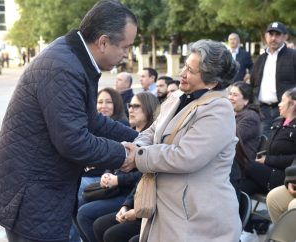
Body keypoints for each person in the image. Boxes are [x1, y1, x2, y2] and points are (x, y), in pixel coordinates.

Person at [0, 1, 138, 242]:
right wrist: (125, 156)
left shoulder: (74, 57)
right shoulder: (64, 68)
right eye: (126, 47)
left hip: (43, 190)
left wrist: (140, 138)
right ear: (104, 42)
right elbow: (73, 141)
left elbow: (90, 120)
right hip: (33, 195)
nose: (127, 55)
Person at [122, 39, 241, 241]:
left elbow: (186, 156)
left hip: (196, 219)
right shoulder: (178, 96)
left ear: (212, 82)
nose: (182, 74)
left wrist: (138, 157)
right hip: (169, 210)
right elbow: (152, 130)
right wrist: (138, 147)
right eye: (185, 65)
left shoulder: (219, 109)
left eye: (191, 71)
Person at [76, 92, 160, 242]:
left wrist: (117, 180)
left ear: (149, 109)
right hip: (116, 189)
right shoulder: (129, 133)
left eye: (136, 106)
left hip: (130, 192)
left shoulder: (152, 140)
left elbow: (144, 175)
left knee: (84, 212)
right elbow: (115, 160)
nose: (131, 110)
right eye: (130, 106)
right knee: (76, 199)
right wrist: (107, 174)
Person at [70, 87, 129, 242]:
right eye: (100, 102)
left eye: (109, 102)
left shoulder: (121, 126)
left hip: (106, 179)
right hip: (91, 175)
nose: (104, 106)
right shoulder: (91, 126)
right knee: (70, 192)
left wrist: (95, 162)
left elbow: (117, 158)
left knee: (77, 192)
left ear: (116, 104)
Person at [240, 87, 296, 242]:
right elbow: (272, 149)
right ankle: (244, 229)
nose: (279, 104)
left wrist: (268, 160)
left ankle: (283, 236)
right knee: (239, 188)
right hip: (272, 174)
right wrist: (266, 156)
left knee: (247, 165)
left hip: (284, 174)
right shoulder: (278, 122)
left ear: (293, 103)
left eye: (283, 100)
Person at [250, 21, 296, 137]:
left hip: (285, 110)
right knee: (263, 143)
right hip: (263, 110)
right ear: (266, 36)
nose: (273, 38)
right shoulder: (260, 59)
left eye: (277, 35)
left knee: (283, 142)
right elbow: (253, 82)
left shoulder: (293, 56)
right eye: (271, 34)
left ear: (285, 37)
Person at [228, 81, 261, 161]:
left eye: (235, 95)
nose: (230, 97)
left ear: (246, 100)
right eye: (230, 94)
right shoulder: (232, 113)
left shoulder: (250, 117)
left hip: (240, 164)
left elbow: (230, 139)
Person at [266, 158, 296, 224]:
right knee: (273, 198)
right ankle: (286, 233)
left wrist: (267, 159)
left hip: (278, 172)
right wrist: (290, 180)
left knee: (293, 205)